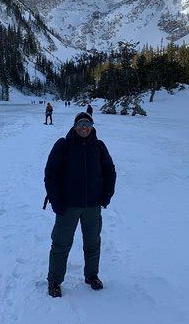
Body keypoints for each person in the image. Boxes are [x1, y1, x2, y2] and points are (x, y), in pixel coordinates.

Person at [43, 112, 116, 297]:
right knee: (60, 244)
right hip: (68, 206)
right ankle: (54, 281)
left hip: (92, 206)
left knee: (93, 243)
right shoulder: (63, 145)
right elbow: (51, 174)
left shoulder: (99, 146)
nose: (84, 127)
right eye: (81, 123)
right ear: (75, 126)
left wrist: (106, 195)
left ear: (92, 126)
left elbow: (110, 171)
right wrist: (56, 201)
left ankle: (92, 276)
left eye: (87, 123)